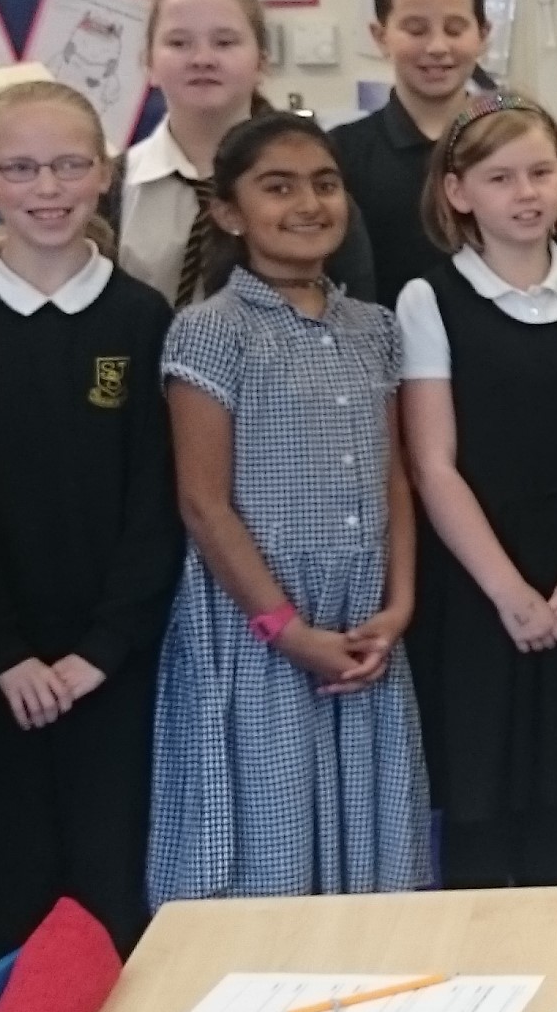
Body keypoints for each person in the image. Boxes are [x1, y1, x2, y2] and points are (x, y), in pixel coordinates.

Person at [0, 80, 178, 957]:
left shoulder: (141, 317)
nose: (47, 188)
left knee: (114, 900)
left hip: (116, 673)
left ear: (103, 173)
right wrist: (5, 654)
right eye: (20, 168)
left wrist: (102, 651)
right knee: (10, 902)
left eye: (68, 165)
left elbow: (159, 503)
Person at [149, 113, 431, 902]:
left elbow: (394, 478)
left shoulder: (373, 328)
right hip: (261, 625)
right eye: (278, 188)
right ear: (229, 212)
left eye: (324, 184)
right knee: (270, 849)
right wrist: (288, 630)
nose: (308, 204)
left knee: (372, 855)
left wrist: (398, 607)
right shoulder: (210, 332)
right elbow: (203, 504)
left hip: (361, 623)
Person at [399, 103, 557, 887]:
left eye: (541, 172)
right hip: (483, 590)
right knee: (487, 814)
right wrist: (508, 593)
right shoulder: (429, 299)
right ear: (458, 192)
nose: (526, 192)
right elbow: (433, 464)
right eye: (500, 178)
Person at [330, 0, 504, 304]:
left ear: (483, 35)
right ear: (380, 36)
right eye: (416, 30)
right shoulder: (339, 154)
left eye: (455, 29)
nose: (437, 47)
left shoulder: (513, 143)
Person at [117, 0, 276, 303]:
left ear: (261, 63)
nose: (202, 59)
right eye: (178, 43)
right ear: (148, 64)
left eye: (224, 42)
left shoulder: (314, 180)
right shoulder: (112, 184)